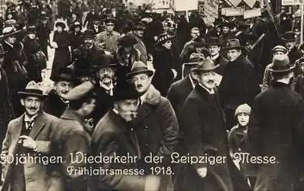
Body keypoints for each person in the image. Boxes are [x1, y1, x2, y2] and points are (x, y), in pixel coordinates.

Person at [248, 54, 304, 191]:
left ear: (272, 75)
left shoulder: (260, 98)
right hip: (289, 161)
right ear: (290, 74)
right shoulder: (296, 99)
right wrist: (300, 163)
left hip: (266, 160)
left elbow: (253, 132)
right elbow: (300, 135)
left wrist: (255, 159)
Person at [89, 81, 162, 191]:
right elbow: (105, 174)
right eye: (127, 104)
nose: (132, 109)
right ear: (116, 104)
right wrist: (143, 184)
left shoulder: (118, 120)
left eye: (134, 103)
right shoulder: (110, 131)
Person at [174, 59, 234, 191]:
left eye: (212, 74)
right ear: (198, 76)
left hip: (220, 156)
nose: (211, 78)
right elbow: (192, 135)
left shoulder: (213, 92)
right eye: (206, 75)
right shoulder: (193, 100)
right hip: (208, 159)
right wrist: (200, 163)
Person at [127, 61, 179, 190]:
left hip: (157, 166)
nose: (139, 82)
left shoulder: (162, 104)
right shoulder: (129, 105)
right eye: (135, 79)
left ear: (150, 79)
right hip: (136, 167)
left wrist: (157, 162)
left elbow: (171, 135)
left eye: (142, 78)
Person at [1, 81, 62, 191]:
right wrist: (5, 169)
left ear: (41, 103)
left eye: (37, 101)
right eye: (29, 100)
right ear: (22, 102)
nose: (33, 105)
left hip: (41, 184)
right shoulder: (13, 124)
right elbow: (5, 150)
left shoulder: (53, 122)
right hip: (16, 182)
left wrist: (36, 145)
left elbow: (60, 148)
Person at [52, 81, 96, 190]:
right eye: (92, 104)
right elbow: (75, 172)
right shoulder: (76, 131)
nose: (94, 107)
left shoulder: (63, 121)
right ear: (84, 105)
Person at [219, 39, 260, 129]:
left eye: (233, 52)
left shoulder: (246, 65)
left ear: (239, 52)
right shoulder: (229, 65)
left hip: (241, 108)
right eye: (228, 52)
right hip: (230, 106)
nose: (230, 55)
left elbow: (250, 90)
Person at [228, 104, 254, 189]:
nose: (242, 118)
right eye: (240, 115)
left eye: (245, 115)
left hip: (254, 163)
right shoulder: (234, 131)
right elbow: (229, 147)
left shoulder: (255, 130)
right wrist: (233, 157)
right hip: (240, 163)